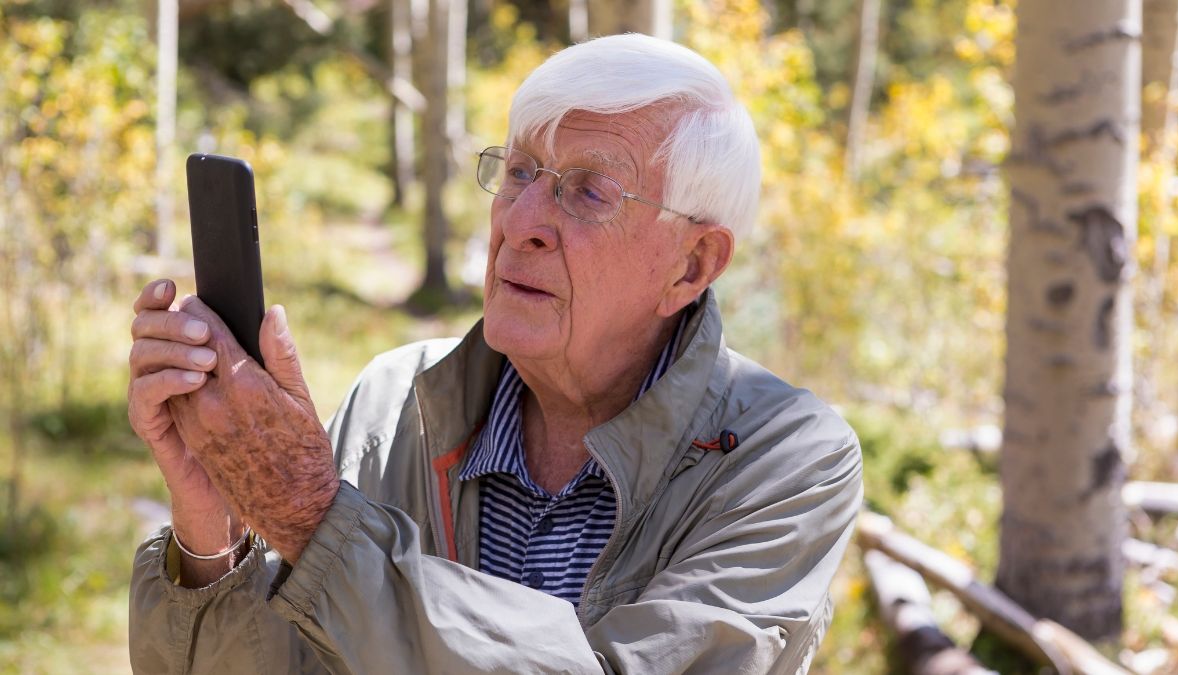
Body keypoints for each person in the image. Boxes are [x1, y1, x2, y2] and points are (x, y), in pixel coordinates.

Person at [127, 33, 862, 674]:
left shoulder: (788, 457)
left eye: (590, 191)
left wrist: (315, 519)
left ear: (693, 265)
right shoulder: (395, 401)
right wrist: (212, 531)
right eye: (518, 172)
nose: (522, 221)